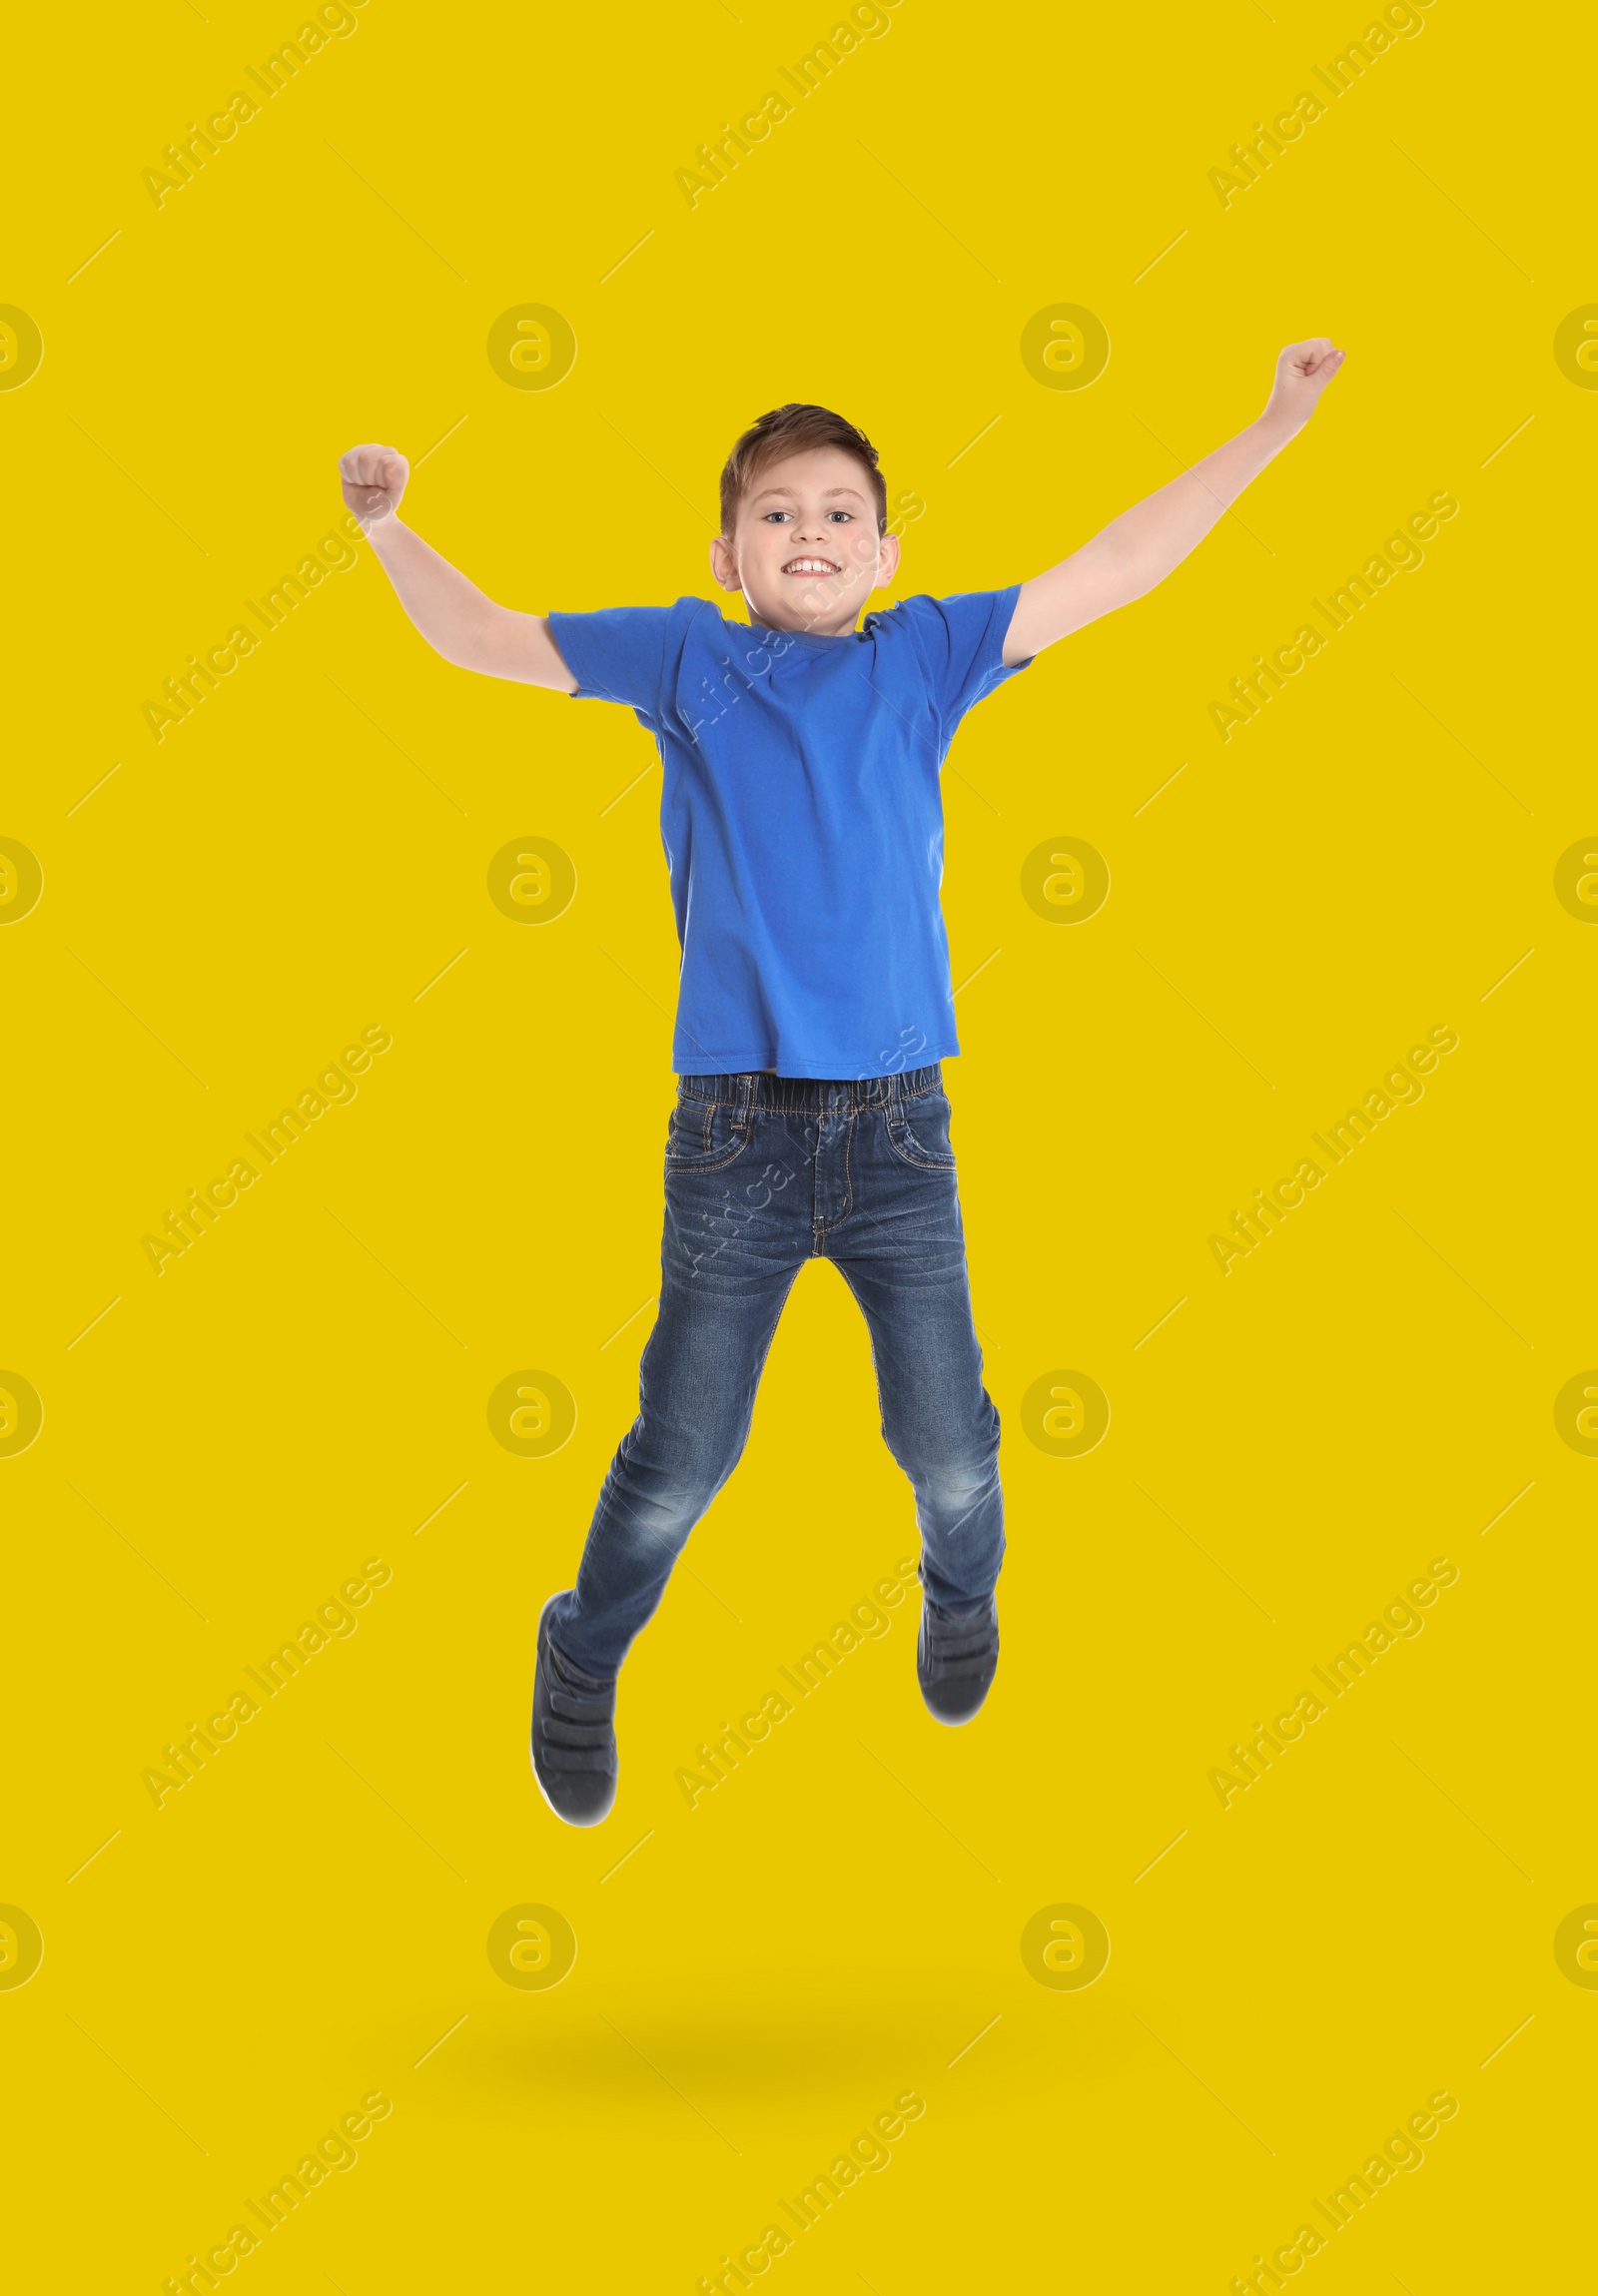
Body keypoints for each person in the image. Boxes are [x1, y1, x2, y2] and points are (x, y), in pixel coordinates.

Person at [339, 340, 1343, 1824]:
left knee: (948, 1444)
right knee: (683, 1454)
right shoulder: (688, 658)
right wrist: (384, 527)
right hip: (734, 1138)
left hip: (896, 1134)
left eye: (838, 512)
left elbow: (1120, 561)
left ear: (885, 548)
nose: (808, 534)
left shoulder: (927, 656)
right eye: (777, 514)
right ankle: (583, 1645)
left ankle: (959, 1597)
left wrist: (1273, 424)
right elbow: (484, 637)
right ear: (726, 551)